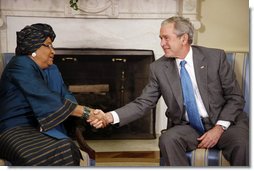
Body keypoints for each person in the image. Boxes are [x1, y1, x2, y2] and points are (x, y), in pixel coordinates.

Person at [88, 16, 249, 166]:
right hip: (189, 127)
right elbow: (144, 103)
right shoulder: (158, 68)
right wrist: (109, 117)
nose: (162, 43)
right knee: (168, 139)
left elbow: (235, 97)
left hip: (225, 123)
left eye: (166, 38)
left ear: (183, 38)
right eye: (161, 38)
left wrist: (219, 128)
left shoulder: (215, 58)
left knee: (242, 143)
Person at [0, 23, 102, 166]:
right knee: (58, 150)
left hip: (40, 130)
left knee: (66, 146)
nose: (53, 51)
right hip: (13, 130)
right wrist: (87, 112)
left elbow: (66, 95)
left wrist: (88, 113)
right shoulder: (19, 64)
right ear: (33, 47)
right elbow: (45, 97)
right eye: (48, 45)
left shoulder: (52, 70)